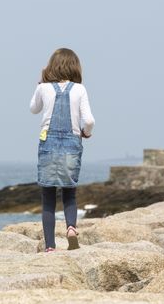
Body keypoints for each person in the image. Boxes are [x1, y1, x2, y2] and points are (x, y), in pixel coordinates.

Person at [30, 48, 95, 253]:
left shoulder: (44, 88)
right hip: (72, 144)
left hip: (48, 143)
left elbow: (33, 108)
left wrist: (40, 83)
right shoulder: (79, 89)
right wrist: (86, 132)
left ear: (51, 66)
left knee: (48, 196)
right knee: (70, 193)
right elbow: (90, 120)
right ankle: (71, 228)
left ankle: (50, 246)